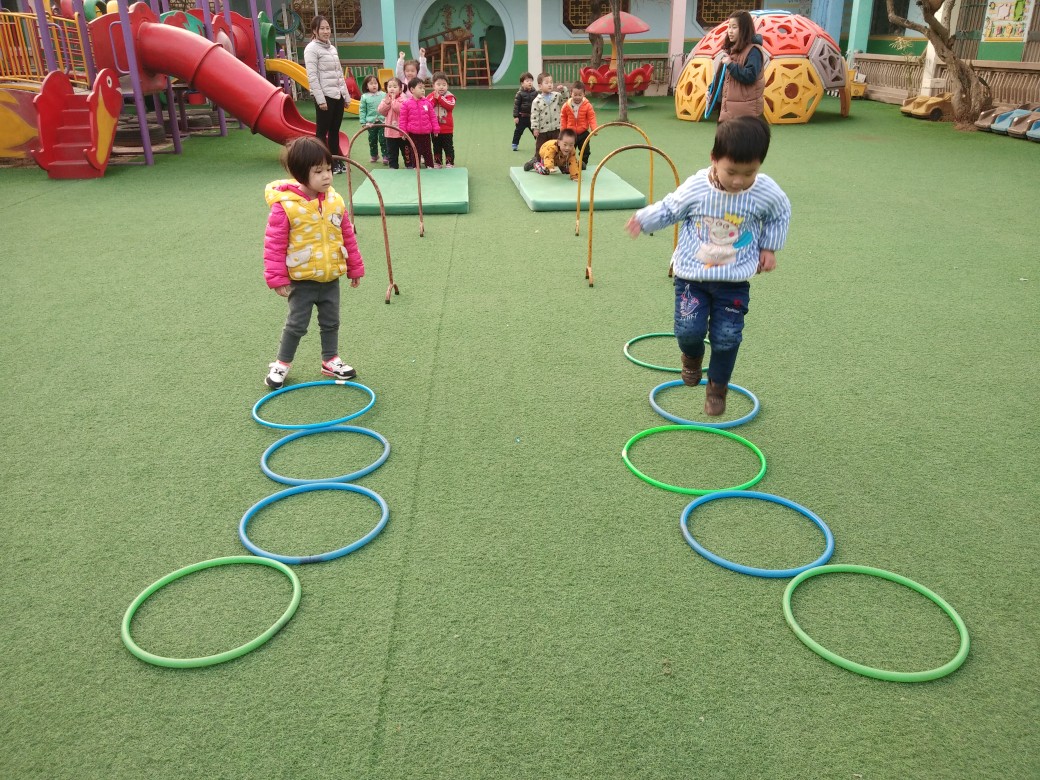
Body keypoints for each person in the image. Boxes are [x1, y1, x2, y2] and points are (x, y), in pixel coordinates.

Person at [625, 117, 790, 416]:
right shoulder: (698, 187)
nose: (739, 181)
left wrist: (769, 247)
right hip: (692, 276)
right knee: (689, 330)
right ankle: (691, 356)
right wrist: (644, 219)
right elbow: (670, 208)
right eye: (731, 171)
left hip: (734, 280)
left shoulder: (765, 191)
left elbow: (780, 213)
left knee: (727, 336)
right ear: (714, 159)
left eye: (749, 172)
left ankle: (717, 386)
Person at [262, 136, 365, 389]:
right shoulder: (285, 207)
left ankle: (330, 359)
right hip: (303, 279)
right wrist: (277, 278)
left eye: (328, 169)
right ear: (300, 173)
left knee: (331, 321)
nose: (327, 176)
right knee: (296, 324)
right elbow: (274, 244)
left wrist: (354, 267)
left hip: (330, 277)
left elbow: (347, 235)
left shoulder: (335, 201)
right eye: (318, 171)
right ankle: (282, 363)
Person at [303, 15, 349, 173]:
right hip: (325, 96)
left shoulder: (332, 48)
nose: (325, 31)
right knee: (322, 132)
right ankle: (323, 163)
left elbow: (339, 74)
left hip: (337, 95)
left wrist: (346, 96)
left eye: (327, 28)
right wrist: (320, 99)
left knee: (335, 130)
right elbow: (312, 76)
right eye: (322, 28)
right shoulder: (311, 49)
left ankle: (335, 161)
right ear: (314, 31)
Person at [719, 10, 766, 122]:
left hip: (746, 115)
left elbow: (750, 76)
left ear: (744, 29)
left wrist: (730, 64)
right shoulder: (731, 50)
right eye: (729, 27)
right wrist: (710, 91)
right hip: (728, 112)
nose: (730, 31)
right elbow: (723, 78)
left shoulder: (753, 51)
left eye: (734, 27)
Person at [523, 72, 564, 171]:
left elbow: (566, 99)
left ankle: (563, 164)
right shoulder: (536, 101)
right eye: (546, 83)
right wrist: (535, 128)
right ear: (540, 86)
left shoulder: (557, 96)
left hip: (555, 128)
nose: (550, 85)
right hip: (542, 130)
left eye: (551, 82)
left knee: (558, 146)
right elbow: (534, 115)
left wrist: (563, 90)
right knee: (540, 147)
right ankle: (535, 161)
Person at [398, 77, 437, 169]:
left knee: (427, 151)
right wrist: (403, 132)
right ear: (412, 90)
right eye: (420, 88)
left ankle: (430, 166)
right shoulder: (406, 104)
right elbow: (403, 119)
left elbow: (433, 117)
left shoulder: (427, 103)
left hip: (426, 133)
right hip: (413, 134)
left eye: (424, 88)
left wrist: (435, 129)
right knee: (415, 151)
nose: (423, 90)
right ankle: (416, 167)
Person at [560, 81, 597, 170]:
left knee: (585, 150)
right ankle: (567, 164)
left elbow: (591, 117)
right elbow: (563, 117)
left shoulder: (587, 105)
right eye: (575, 94)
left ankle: (583, 164)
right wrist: (563, 130)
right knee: (568, 149)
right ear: (571, 93)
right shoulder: (567, 105)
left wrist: (594, 128)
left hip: (583, 132)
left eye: (580, 95)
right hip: (571, 133)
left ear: (584, 94)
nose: (577, 97)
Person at [358, 74, 387, 165]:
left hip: (382, 121)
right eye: (371, 83)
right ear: (366, 86)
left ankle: (386, 156)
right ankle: (374, 155)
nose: (374, 85)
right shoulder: (364, 97)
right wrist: (363, 122)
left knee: (383, 139)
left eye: (375, 83)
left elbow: (388, 106)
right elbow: (362, 110)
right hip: (370, 122)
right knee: (372, 139)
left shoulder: (383, 95)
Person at [377, 77, 406, 169]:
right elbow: (381, 111)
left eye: (394, 87)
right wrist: (387, 103)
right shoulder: (386, 100)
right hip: (390, 132)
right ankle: (393, 166)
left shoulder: (403, 100)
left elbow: (400, 110)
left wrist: (393, 101)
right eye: (389, 87)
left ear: (400, 90)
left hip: (402, 132)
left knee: (406, 151)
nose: (392, 89)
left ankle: (409, 165)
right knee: (392, 152)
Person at [429, 71, 456, 168]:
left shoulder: (450, 96)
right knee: (436, 146)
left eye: (444, 85)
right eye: (438, 84)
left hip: (447, 129)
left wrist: (439, 98)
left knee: (448, 147)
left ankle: (450, 163)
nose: (441, 87)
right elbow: (427, 106)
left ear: (447, 86)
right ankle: (437, 163)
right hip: (434, 129)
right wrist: (434, 98)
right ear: (433, 86)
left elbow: (450, 106)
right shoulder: (431, 96)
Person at [511, 71, 537, 151]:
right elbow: (516, 106)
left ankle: (539, 144)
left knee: (535, 131)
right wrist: (516, 116)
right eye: (527, 81)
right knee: (518, 131)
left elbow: (538, 104)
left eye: (531, 80)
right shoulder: (519, 94)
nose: (529, 82)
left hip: (532, 117)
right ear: (522, 83)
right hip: (521, 117)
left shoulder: (535, 93)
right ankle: (515, 144)